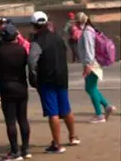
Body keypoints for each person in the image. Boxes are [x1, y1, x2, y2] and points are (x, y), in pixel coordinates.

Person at [28, 11, 79, 154]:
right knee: (66, 108)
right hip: (62, 77)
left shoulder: (37, 42)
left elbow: (32, 62)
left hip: (47, 80)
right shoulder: (57, 38)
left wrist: (33, 78)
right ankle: (73, 137)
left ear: (33, 25)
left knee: (53, 112)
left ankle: (57, 144)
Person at [0, 23, 31, 160]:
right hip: (21, 86)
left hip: (6, 87)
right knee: (23, 119)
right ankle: (25, 149)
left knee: (10, 121)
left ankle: (15, 151)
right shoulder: (21, 50)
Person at [75, 12, 115, 123]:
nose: (76, 25)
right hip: (93, 63)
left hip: (92, 63)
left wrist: (88, 65)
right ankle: (107, 107)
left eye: (77, 22)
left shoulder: (87, 32)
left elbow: (89, 50)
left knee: (90, 88)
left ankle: (99, 115)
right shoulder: (90, 30)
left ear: (81, 21)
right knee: (91, 88)